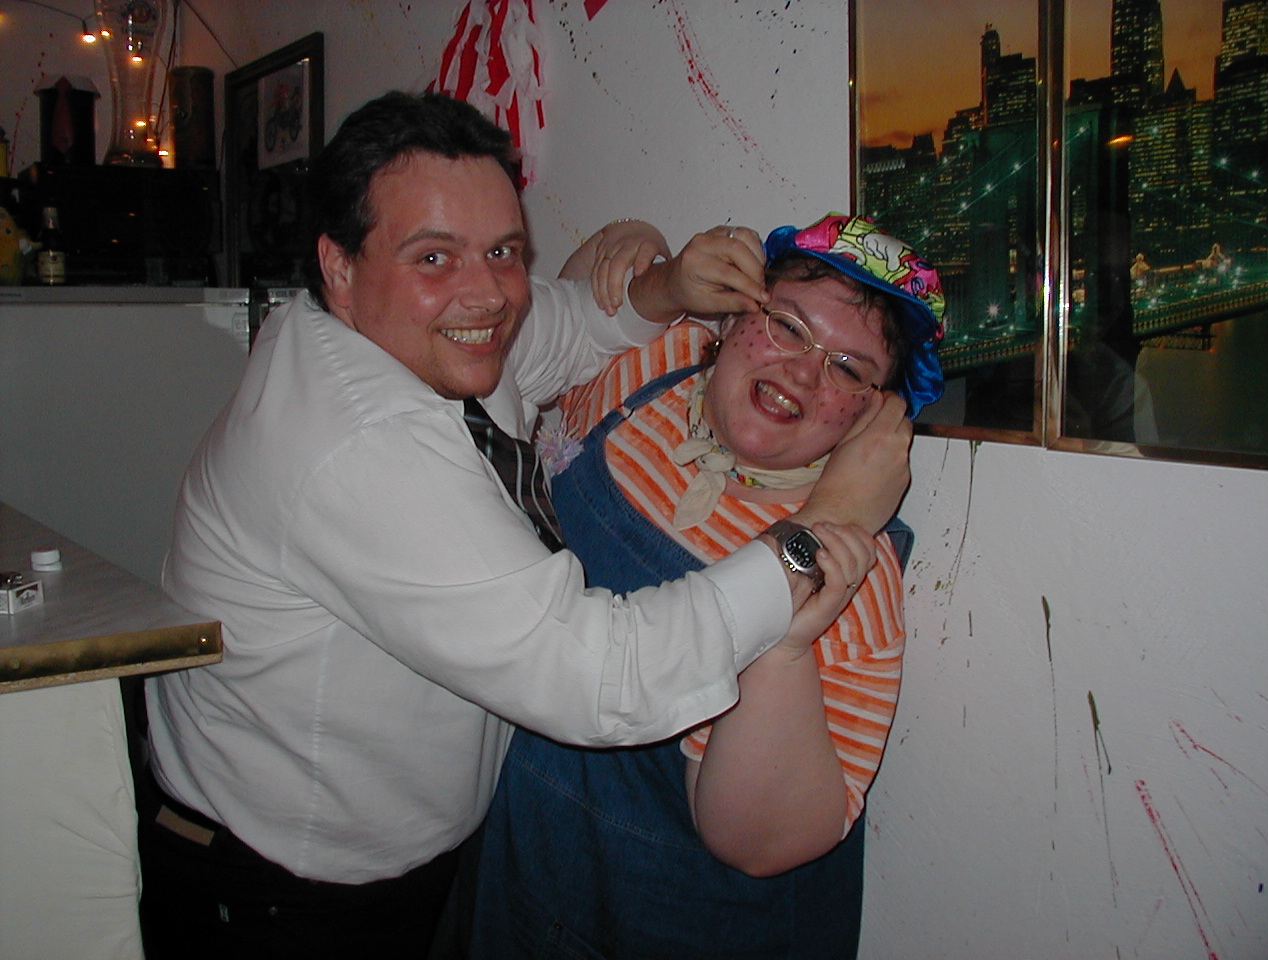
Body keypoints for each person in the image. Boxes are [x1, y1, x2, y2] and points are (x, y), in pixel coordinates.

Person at [136, 90, 912, 960]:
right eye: (434, 256)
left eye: (503, 251)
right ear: (339, 267)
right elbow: (597, 674)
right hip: (281, 888)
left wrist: (661, 286)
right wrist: (823, 527)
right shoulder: (357, 449)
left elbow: (559, 327)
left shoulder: (420, 336)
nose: (488, 296)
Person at [465, 214, 946, 959]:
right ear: (731, 316)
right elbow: (542, 322)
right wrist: (637, 246)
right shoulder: (644, 373)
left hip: (685, 924)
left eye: (849, 370)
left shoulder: (850, 572)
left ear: (874, 417)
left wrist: (785, 640)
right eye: (786, 326)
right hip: (524, 871)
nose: (803, 374)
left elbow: (754, 842)